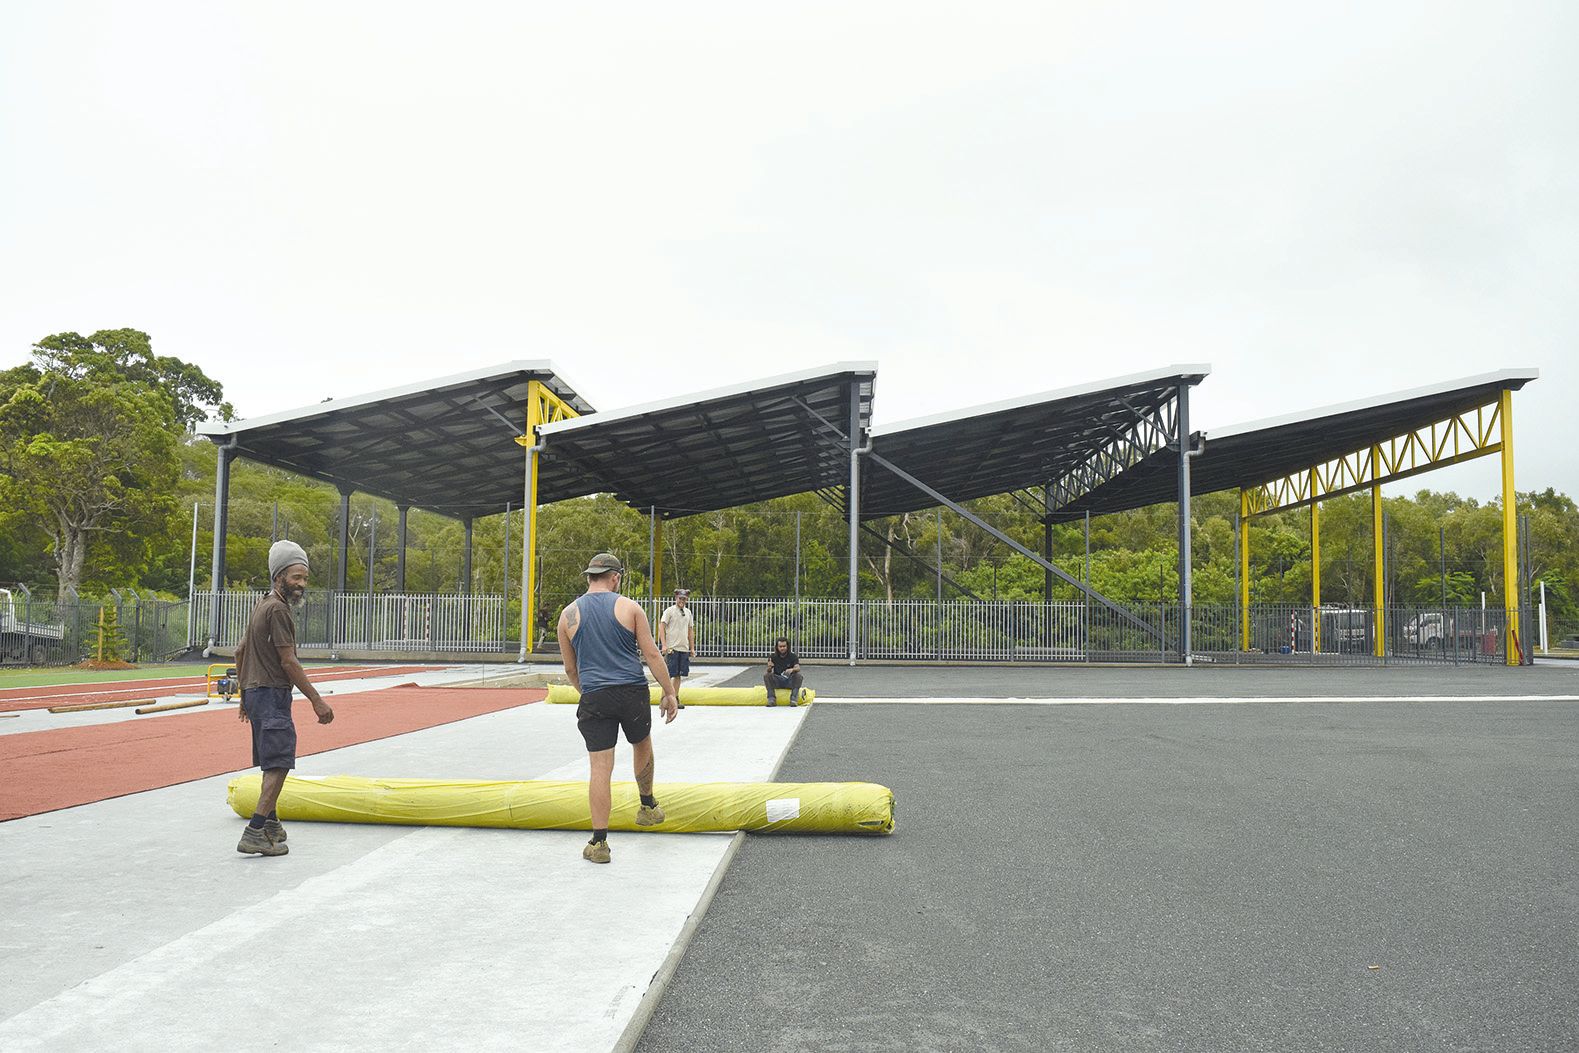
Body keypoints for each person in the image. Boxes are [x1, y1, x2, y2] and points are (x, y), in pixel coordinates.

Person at [557, 552, 679, 864]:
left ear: (589, 578)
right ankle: (648, 807)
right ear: (616, 577)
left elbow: (571, 670)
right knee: (641, 743)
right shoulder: (629, 607)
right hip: (631, 692)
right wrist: (669, 693)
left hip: (595, 694)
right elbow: (652, 654)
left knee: (600, 768)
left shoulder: (568, 615)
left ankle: (599, 843)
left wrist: (590, 693)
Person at [233, 540, 334, 857]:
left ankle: (272, 825)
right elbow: (288, 661)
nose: (302, 585)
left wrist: (243, 695)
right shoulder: (278, 610)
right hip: (272, 694)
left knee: (270, 761)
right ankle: (254, 831)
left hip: (255, 693)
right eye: (296, 577)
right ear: (279, 576)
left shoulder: (262, 605)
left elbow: (240, 651)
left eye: (304, 578)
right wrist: (317, 699)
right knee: (278, 764)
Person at [657, 588, 694, 704]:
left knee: (679, 675)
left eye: (684, 599)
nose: (682, 601)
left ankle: (675, 698)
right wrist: (664, 645)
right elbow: (661, 626)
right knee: (668, 675)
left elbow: (690, 630)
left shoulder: (688, 612)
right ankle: (664, 698)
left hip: (683, 648)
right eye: (680, 598)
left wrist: (691, 648)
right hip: (672, 648)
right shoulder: (669, 611)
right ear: (676, 598)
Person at [764, 636, 804, 706]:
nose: (782, 648)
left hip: (789, 681)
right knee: (767, 675)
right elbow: (769, 672)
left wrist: (792, 670)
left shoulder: (793, 656)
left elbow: (798, 668)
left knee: (798, 676)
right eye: (780, 646)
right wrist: (769, 667)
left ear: (787, 646)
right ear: (777, 647)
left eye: (784, 646)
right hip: (777, 680)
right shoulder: (772, 657)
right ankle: (771, 699)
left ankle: (793, 699)